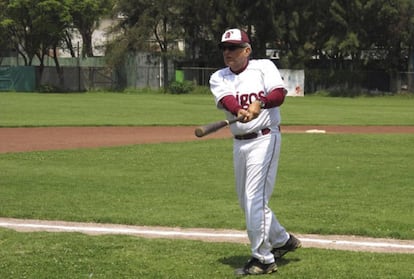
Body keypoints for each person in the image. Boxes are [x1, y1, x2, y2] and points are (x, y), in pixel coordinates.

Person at [209, 28, 302, 275]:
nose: (227, 52)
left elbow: (279, 94)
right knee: (246, 201)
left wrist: (260, 103)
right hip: (239, 142)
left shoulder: (263, 67)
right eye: (224, 48)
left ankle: (263, 258)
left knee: (254, 200)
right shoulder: (219, 76)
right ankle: (282, 240)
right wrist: (240, 109)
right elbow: (226, 101)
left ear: (247, 50)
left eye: (233, 48)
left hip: (265, 138)